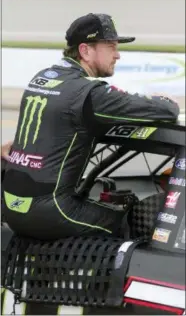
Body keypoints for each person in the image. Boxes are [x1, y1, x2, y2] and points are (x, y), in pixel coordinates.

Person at [2, 13, 179, 240]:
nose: (118, 55)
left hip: (12, 205)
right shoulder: (89, 94)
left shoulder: (42, 78)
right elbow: (167, 111)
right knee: (128, 222)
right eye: (111, 47)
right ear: (85, 51)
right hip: (50, 209)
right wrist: (164, 100)